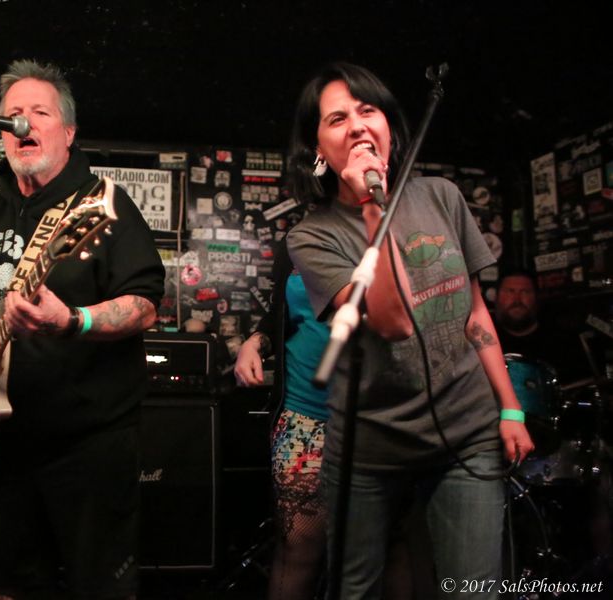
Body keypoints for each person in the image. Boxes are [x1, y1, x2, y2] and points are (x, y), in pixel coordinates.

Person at [285, 62, 534, 599]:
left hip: (466, 431)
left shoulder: (441, 196)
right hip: (370, 448)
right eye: (337, 118)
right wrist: (373, 206)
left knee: (473, 589)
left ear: (390, 130)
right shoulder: (311, 237)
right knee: (356, 589)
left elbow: (476, 314)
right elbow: (393, 323)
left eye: (367, 110)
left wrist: (510, 408)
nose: (356, 125)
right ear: (317, 150)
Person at [0, 59, 165, 600]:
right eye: (12, 115)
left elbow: (145, 305)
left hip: (89, 443)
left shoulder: (101, 206)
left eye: (39, 112)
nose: (23, 123)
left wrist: (74, 320)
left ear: (69, 132)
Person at [234, 238, 331, 600]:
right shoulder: (297, 241)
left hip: (379, 419)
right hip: (305, 414)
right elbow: (281, 317)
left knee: (388, 546)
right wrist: (254, 343)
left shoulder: (392, 235)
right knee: (298, 546)